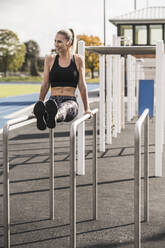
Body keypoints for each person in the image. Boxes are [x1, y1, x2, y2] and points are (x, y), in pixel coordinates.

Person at [33, 28, 93, 130]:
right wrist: (40, 102)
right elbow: (45, 84)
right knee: (50, 106)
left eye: (59, 41)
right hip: (53, 101)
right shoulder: (50, 59)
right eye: (55, 41)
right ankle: (44, 114)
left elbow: (82, 85)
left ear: (69, 42)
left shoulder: (78, 60)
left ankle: (54, 116)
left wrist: (87, 108)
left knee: (64, 108)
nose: (56, 44)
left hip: (70, 102)